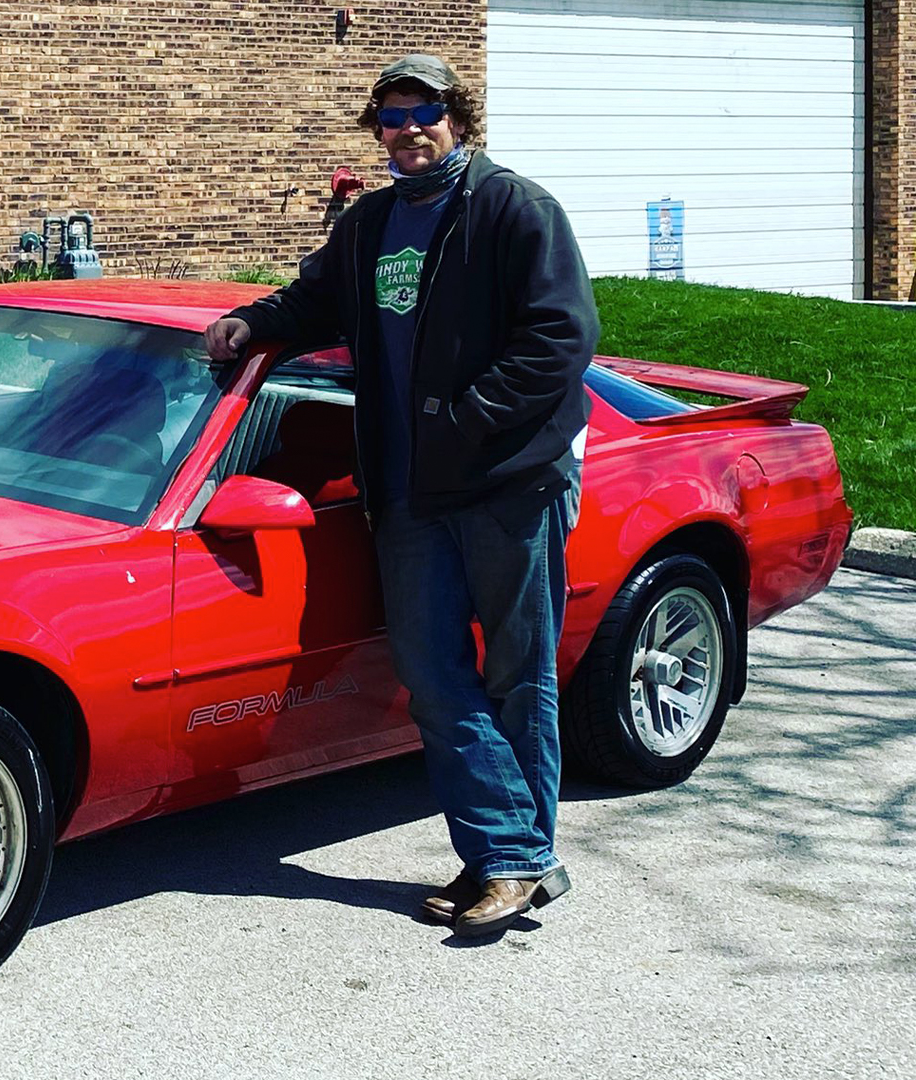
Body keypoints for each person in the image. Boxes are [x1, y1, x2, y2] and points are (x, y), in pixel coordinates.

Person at [204, 54, 598, 937]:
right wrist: (252, 322)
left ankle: (505, 857)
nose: (409, 128)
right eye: (391, 116)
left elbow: (561, 336)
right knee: (430, 674)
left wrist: (465, 422)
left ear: (457, 117)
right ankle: (515, 854)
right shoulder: (373, 223)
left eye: (425, 112)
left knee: (518, 675)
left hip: (506, 484)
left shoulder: (513, 208)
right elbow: (312, 301)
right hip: (409, 491)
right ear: (376, 130)